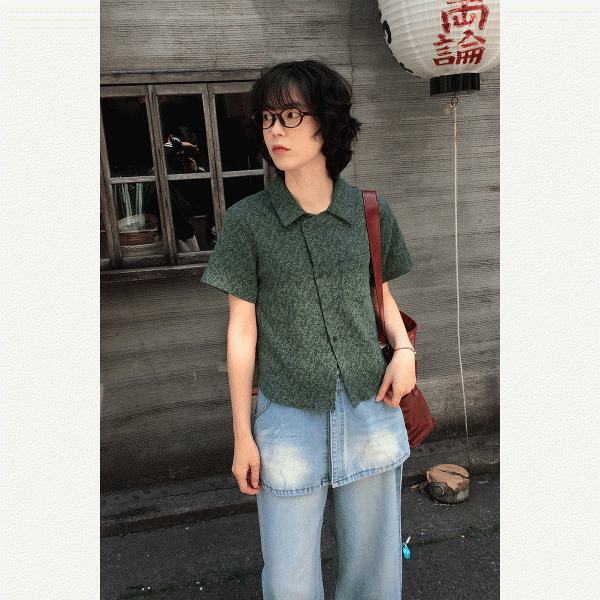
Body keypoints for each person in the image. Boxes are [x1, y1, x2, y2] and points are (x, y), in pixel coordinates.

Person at [201, 59, 415, 599]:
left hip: (371, 405)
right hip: (287, 417)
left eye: (291, 115)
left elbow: (380, 295)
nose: (275, 129)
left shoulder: (371, 211)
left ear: (328, 122)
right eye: (267, 117)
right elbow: (241, 332)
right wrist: (242, 435)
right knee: (290, 578)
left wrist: (404, 350)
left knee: (374, 570)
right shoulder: (247, 222)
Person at [144, 125, 207, 252]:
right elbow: (160, 151)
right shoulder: (160, 163)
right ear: (170, 139)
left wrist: (196, 172)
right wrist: (178, 145)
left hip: (185, 231)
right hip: (163, 231)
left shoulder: (186, 165)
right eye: (180, 146)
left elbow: (199, 196)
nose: (181, 152)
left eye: (184, 149)